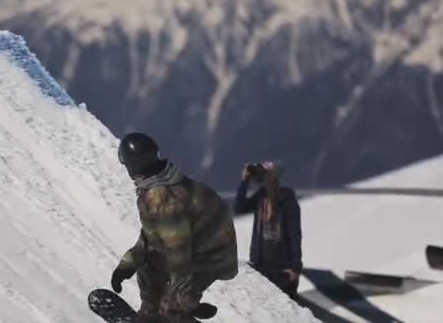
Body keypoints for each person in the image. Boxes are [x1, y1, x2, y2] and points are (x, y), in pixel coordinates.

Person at [111, 132, 239, 323]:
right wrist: (128, 264)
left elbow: (179, 256)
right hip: (196, 246)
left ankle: (170, 316)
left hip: (212, 256)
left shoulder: (163, 201)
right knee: (148, 263)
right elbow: (152, 237)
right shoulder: (159, 184)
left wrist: (186, 302)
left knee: (171, 308)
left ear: (133, 166)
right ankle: (150, 315)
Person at [234, 161, 302, 300]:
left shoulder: (287, 199)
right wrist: (244, 181)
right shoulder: (261, 196)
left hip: (281, 269)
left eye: (265, 172)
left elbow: (295, 234)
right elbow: (239, 208)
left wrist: (295, 268)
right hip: (260, 266)